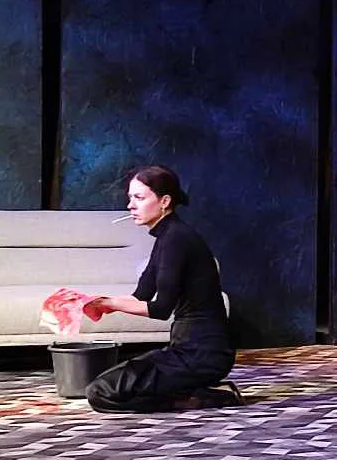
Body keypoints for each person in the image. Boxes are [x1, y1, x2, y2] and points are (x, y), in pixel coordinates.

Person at [82, 165, 237, 413]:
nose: (130, 205)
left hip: (203, 354)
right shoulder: (166, 237)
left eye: (139, 198)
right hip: (185, 349)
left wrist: (110, 304)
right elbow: (140, 296)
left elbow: (161, 309)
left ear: (164, 201)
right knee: (103, 387)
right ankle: (189, 394)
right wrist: (97, 302)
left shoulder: (177, 239)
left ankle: (195, 399)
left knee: (101, 393)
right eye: (130, 198)